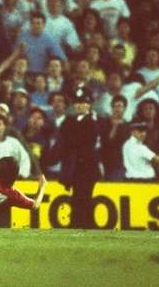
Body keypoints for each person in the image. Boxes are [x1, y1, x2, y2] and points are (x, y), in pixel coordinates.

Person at [56, 85, 100, 229]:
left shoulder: (93, 122)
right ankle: (77, 225)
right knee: (77, 199)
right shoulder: (70, 122)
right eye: (78, 102)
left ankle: (82, 225)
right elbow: (64, 141)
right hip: (75, 167)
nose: (80, 106)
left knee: (84, 198)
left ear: (89, 105)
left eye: (83, 102)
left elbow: (84, 143)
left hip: (87, 167)